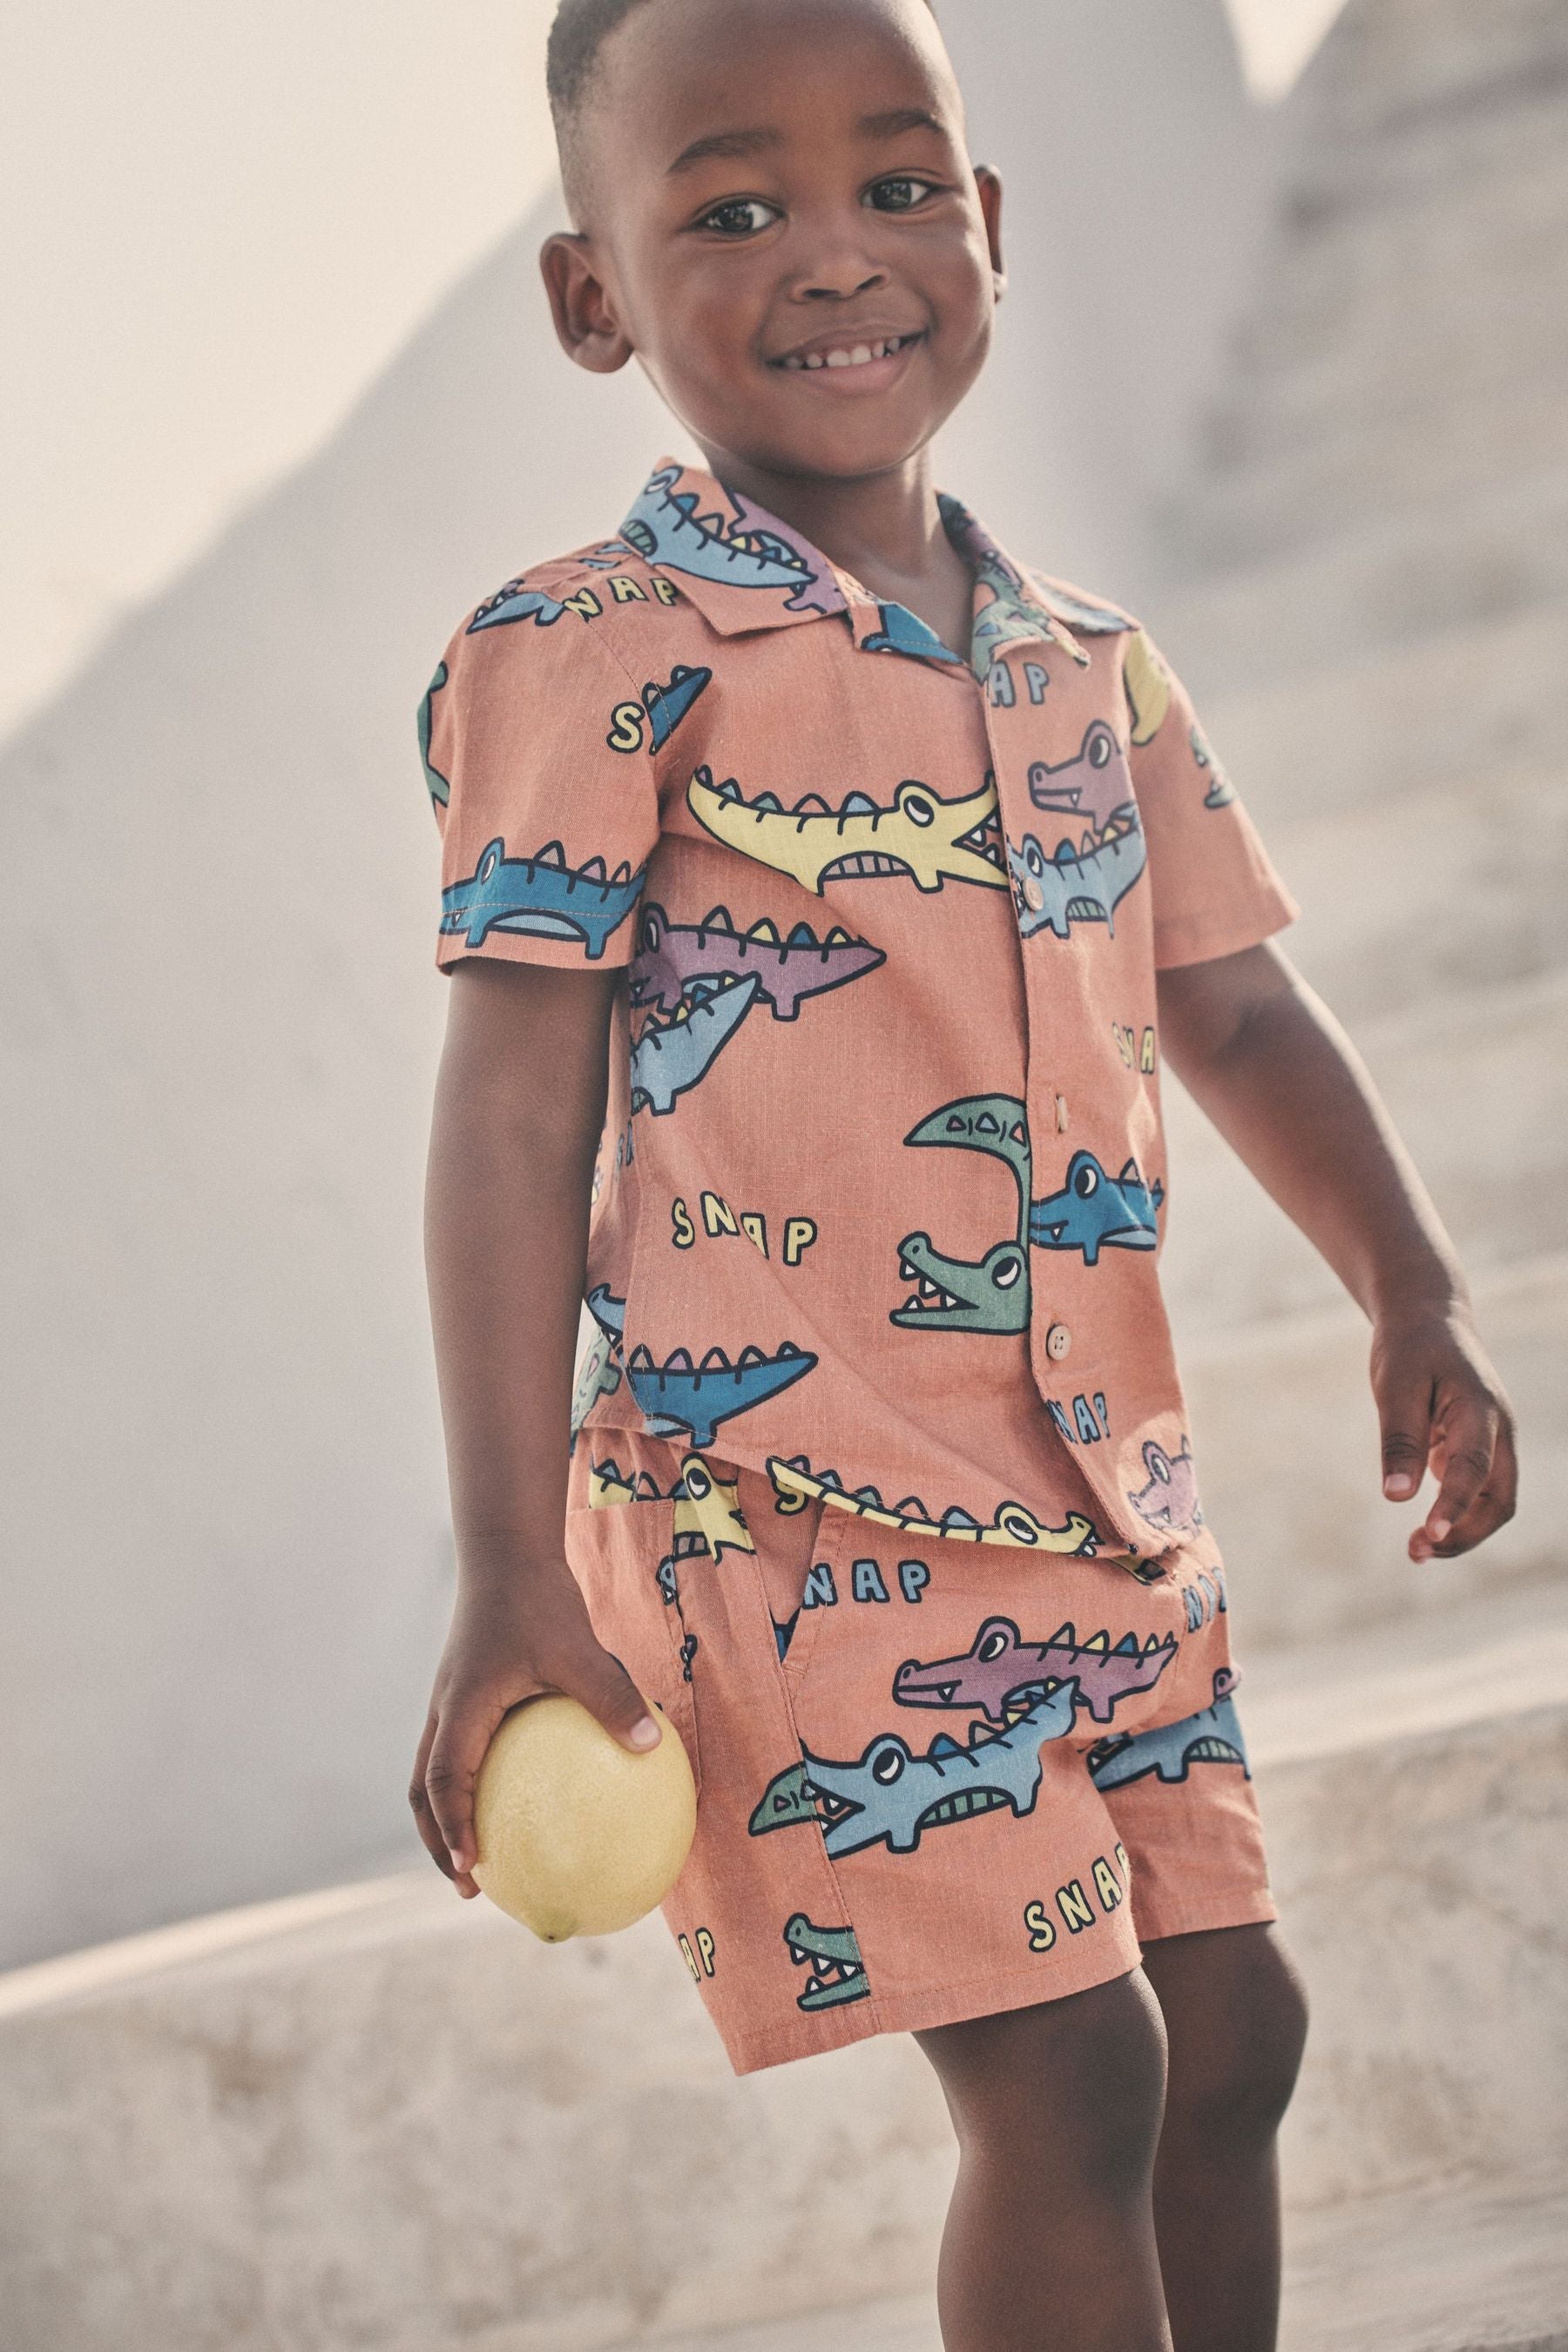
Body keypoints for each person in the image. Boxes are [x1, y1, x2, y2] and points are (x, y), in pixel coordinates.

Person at [408, 3, 1517, 2345]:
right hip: (792, 1515)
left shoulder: (1095, 671)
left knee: (1240, 2034)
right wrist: (515, 1564)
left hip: (1103, 1502)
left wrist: (1410, 1285)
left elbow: (1228, 1002)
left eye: (902, 185)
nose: (839, 253)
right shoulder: (588, 655)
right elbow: (516, 1109)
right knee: (1074, 2069)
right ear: (592, 297)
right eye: (732, 207)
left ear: (990, 229)